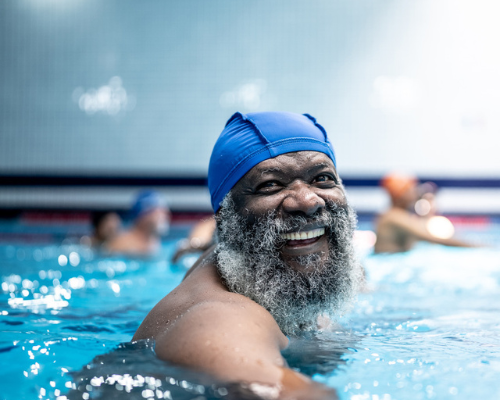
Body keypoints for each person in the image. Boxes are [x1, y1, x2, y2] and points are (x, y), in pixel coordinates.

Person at [133, 111, 364, 399]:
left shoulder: (237, 263)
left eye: (322, 178)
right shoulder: (219, 323)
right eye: (270, 184)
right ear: (227, 219)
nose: (308, 201)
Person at [374, 172, 477, 253]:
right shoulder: (395, 218)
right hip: (389, 260)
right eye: (412, 189)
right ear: (401, 194)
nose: (416, 192)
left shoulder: (395, 215)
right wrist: (475, 246)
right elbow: (433, 238)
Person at [105, 190, 171, 256]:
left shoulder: (155, 242)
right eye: (160, 212)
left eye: (165, 211)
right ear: (143, 216)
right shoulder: (121, 245)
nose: (165, 216)